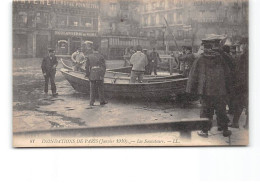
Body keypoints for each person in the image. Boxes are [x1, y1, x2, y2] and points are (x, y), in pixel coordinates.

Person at [186, 40, 232, 138]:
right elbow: (228, 73)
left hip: (206, 90)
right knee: (221, 110)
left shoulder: (200, 59)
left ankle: (204, 131)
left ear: (205, 48)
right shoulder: (220, 58)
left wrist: (192, 90)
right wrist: (227, 88)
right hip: (220, 90)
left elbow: (193, 75)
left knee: (206, 111)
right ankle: (225, 130)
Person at [229, 37, 248, 128]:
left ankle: (235, 123)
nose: (239, 48)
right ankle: (248, 124)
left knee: (239, 103)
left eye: (240, 45)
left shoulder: (242, 57)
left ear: (245, 45)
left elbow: (238, 72)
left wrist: (236, 84)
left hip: (243, 85)